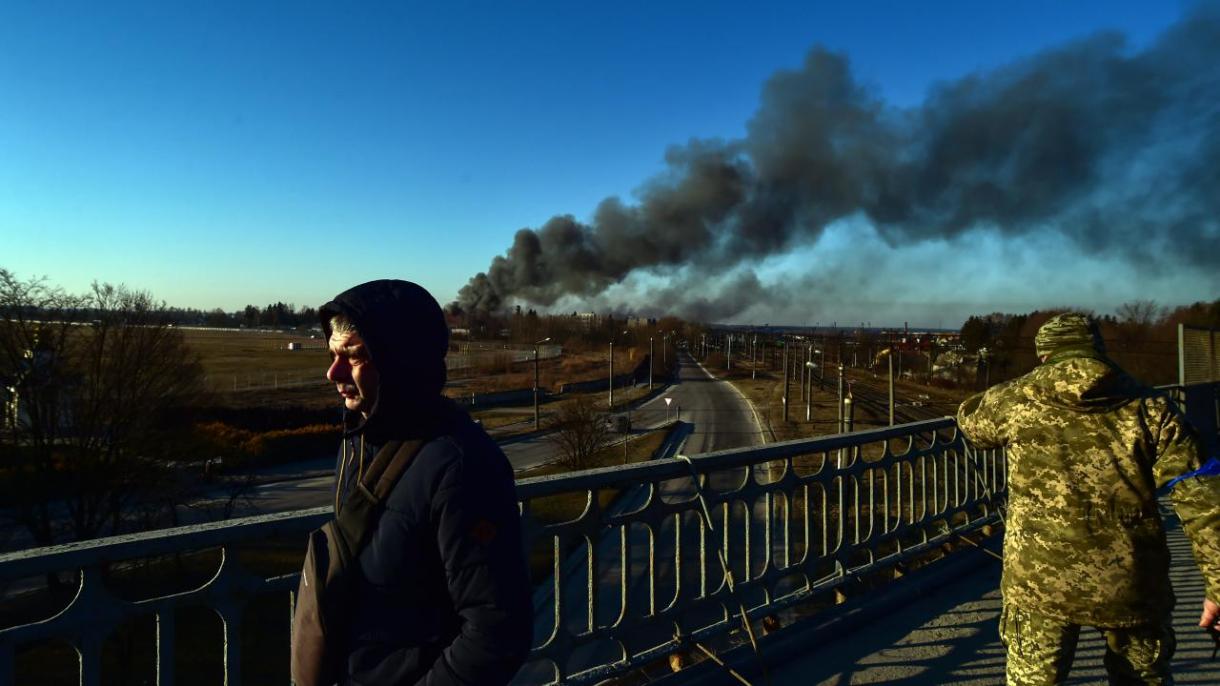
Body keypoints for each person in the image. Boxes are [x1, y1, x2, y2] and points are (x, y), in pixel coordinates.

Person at [956, 312, 1220, 685]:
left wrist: (1020, 384)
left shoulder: (1016, 401)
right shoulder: (1152, 408)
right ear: (1098, 351)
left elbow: (970, 421)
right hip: (1130, 584)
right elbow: (1202, 498)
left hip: (1038, 585)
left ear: (1045, 355)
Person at [319, 279, 533, 685]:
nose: (334, 372)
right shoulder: (361, 441)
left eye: (355, 356)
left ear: (402, 362)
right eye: (332, 355)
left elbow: (496, 631)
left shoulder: (463, 466)